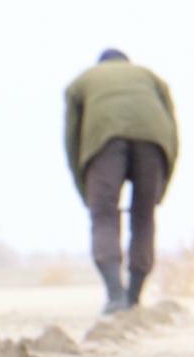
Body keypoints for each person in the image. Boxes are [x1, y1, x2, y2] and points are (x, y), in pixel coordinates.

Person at [62, 49, 179, 314]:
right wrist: (161, 187)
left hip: (103, 142)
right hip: (154, 142)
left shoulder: (82, 81)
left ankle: (116, 298)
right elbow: (172, 133)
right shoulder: (150, 77)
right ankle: (134, 297)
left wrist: (86, 193)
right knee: (144, 217)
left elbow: (71, 140)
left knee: (103, 217)